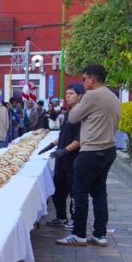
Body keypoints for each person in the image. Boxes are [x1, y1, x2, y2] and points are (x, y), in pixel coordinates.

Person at [57, 64, 121, 248]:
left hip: (92, 150)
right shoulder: (112, 95)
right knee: (99, 193)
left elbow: (73, 117)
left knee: (80, 193)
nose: (82, 82)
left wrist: (83, 102)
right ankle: (100, 234)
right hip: (109, 148)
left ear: (91, 80)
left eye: (84, 79)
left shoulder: (92, 95)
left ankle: (79, 234)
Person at [46, 84, 84, 229]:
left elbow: (79, 139)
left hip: (73, 159)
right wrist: (52, 145)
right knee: (57, 190)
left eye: (71, 93)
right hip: (61, 159)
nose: (67, 96)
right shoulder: (69, 113)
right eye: (67, 93)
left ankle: (74, 219)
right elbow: (63, 134)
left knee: (73, 191)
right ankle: (60, 216)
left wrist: (65, 150)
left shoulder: (81, 114)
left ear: (80, 95)